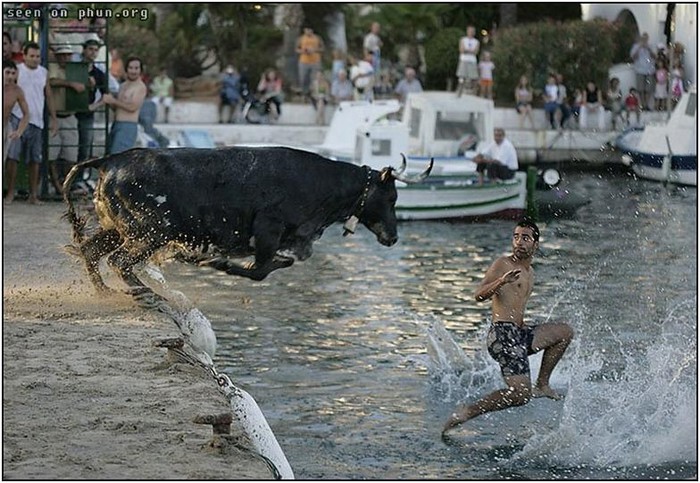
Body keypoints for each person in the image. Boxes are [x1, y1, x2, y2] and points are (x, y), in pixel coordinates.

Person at [442, 219, 574, 435]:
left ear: (536, 244)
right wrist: (501, 281)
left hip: (519, 333)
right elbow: (478, 295)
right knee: (520, 395)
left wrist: (523, 326)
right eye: (516, 237)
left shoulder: (530, 273)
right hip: (502, 335)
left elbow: (517, 307)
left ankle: (542, 384)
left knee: (564, 333)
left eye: (525, 238)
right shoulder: (502, 264)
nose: (519, 242)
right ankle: (467, 412)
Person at [5, 42, 58, 204]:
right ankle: (10, 192)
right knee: (13, 157)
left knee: (35, 159)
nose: (35, 59)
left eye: (37, 56)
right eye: (32, 56)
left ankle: (33, 195)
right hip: (17, 117)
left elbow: (48, 95)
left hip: (37, 120)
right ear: (24, 55)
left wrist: (54, 118)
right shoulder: (17, 70)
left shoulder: (43, 72)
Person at [48, 44, 86, 195]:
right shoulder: (52, 68)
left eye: (67, 55)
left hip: (70, 116)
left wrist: (88, 83)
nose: (65, 58)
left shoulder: (76, 70)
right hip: (54, 116)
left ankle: (65, 186)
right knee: (52, 155)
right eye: (62, 55)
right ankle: (58, 187)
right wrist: (70, 84)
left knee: (71, 155)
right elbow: (51, 81)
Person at [101, 56, 147, 154]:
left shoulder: (140, 87)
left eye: (136, 68)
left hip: (128, 126)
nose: (133, 71)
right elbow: (117, 107)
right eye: (131, 68)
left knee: (118, 156)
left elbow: (133, 107)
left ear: (140, 70)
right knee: (109, 156)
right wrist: (109, 101)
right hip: (116, 124)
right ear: (126, 69)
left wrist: (113, 101)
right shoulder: (122, 86)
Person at [76, 39, 107, 164]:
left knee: (85, 149)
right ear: (84, 50)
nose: (93, 52)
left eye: (96, 50)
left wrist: (94, 106)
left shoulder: (98, 73)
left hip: (87, 115)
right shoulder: (74, 68)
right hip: (70, 113)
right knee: (68, 149)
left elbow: (107, 96)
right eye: (90, 49)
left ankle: (80, 175)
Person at [3, 59, 29, 164]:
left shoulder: (17, 91)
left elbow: (26, 114)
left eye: (13, 73)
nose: (10, 77)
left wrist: (19, 131)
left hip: (5, 127)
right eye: (7, 73)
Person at [629, 33, 656, 110]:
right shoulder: (636, 46)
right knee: (640, 89)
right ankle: (643, 105)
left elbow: (655, 56)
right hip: (639, 70)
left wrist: (649, 49)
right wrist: (639, 47)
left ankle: (646, 104)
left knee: (648, 89)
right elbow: (633, 57)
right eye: (643, 38)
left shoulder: (651, 46)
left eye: (646, 38)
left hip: (649, 70)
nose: (644, 40)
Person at [296, 27, 324, 98]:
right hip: (304, 61)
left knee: (314, 79)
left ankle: (313, 94)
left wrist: (314, 50)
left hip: (315, 61)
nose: (308, 31)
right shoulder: (301, 38)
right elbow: (296, 49)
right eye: (306, 30)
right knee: (303, 78)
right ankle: (304, 94)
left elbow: (322, 48)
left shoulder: (317, 38)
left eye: (309, 30)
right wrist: (303, 51)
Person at [456, 25, 479, 97]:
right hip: (464, 60)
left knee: (474, 77)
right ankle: (459, 91)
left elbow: (475, 52)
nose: (471, 32)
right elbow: (461, 50)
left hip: (472, 61)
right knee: (461, 76)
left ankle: (474, 93)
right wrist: (469, 51)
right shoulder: (463, 40)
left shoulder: (476, 41)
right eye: (469, 31)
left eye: (472, 31)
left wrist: (467, 50)